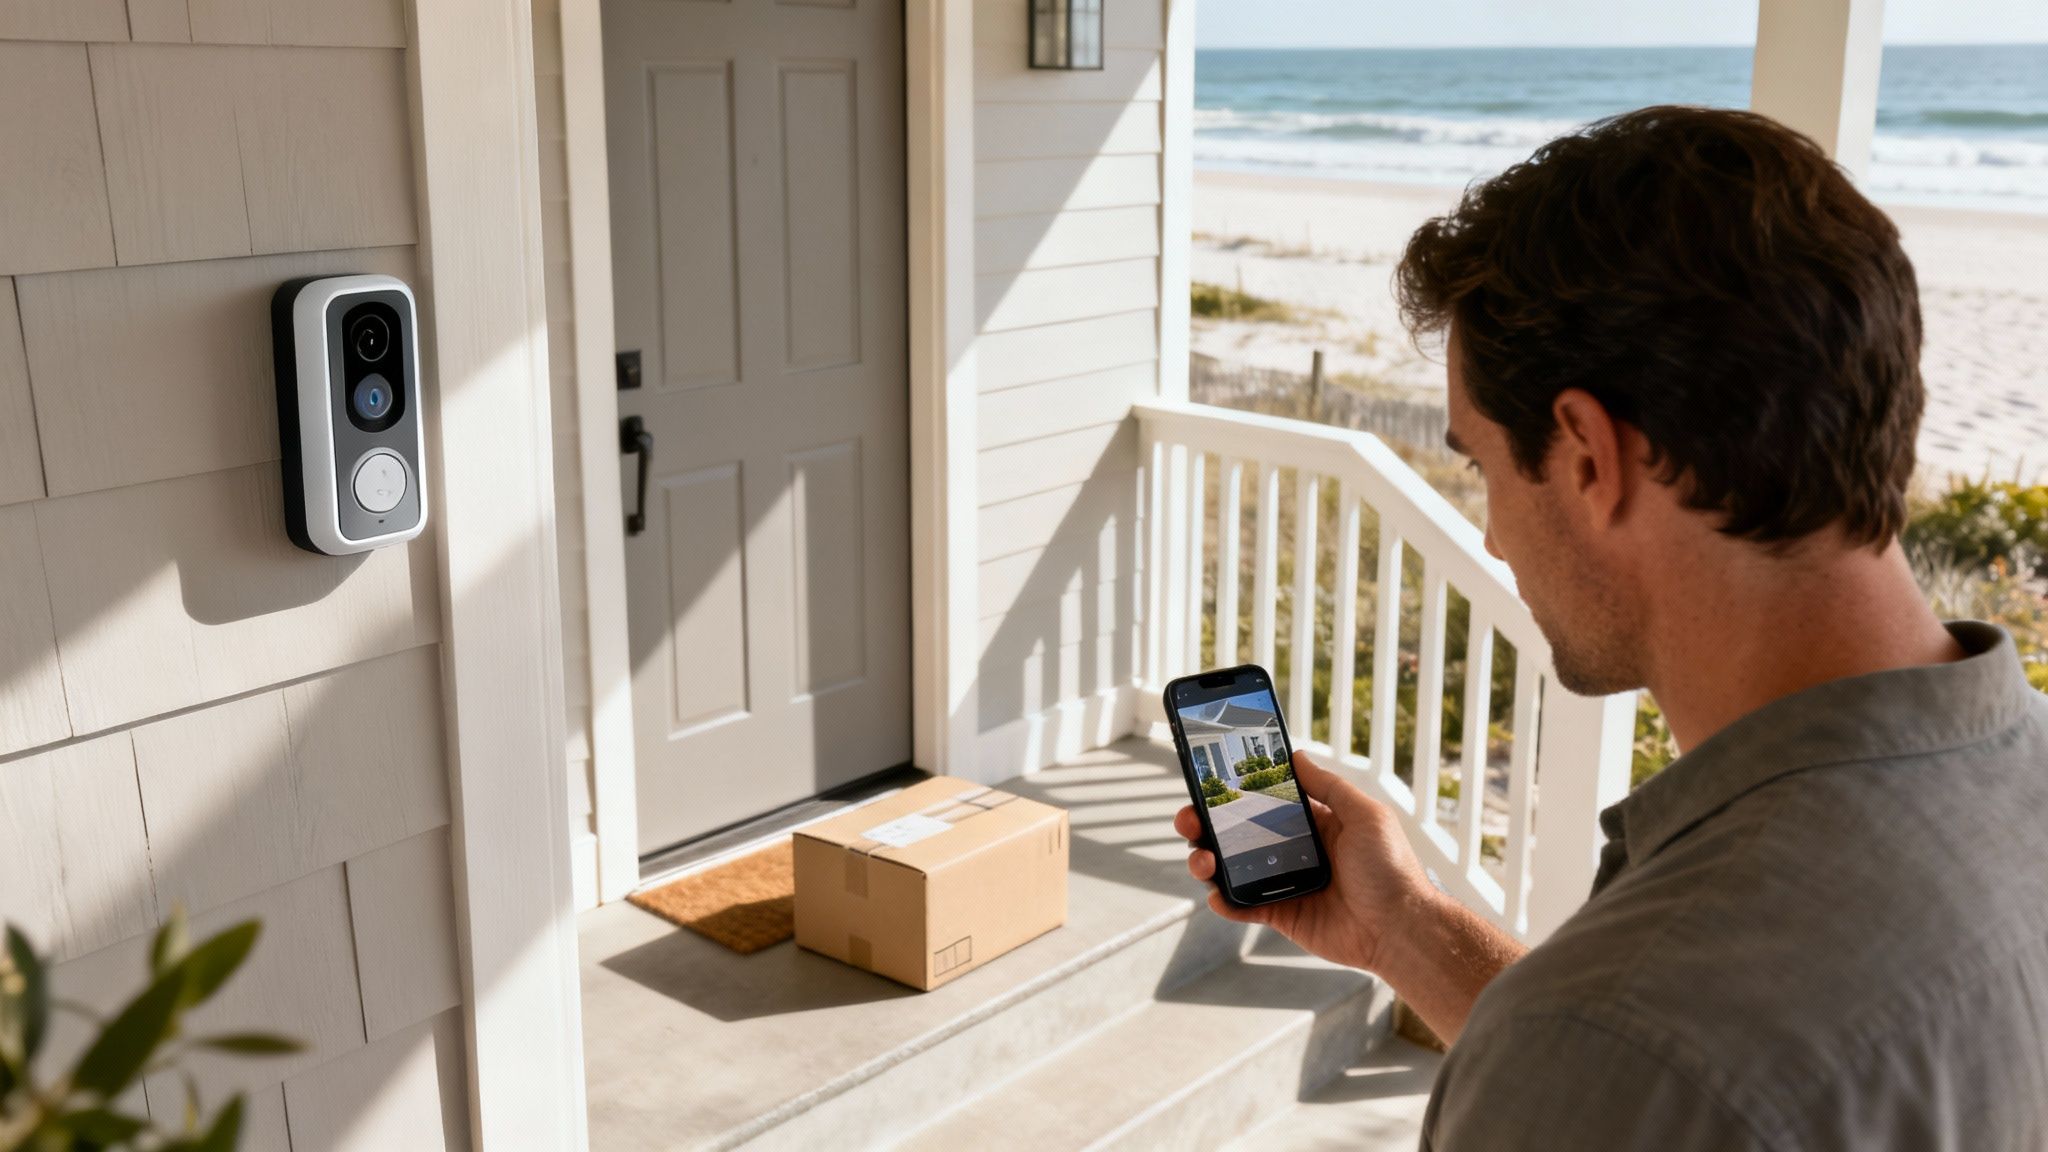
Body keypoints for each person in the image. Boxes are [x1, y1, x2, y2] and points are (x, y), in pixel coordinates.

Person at [1174, 106, 2048, 1150]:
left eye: (1480, 465)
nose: (1492, 535)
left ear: (1587, 455)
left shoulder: (1620, 1036)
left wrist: (1548, 1040)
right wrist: (1401, 931)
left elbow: (1619, 1064)